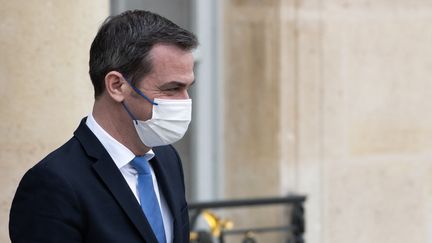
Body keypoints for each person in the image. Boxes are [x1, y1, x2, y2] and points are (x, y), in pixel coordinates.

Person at [9, 10, 198, 243]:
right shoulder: (53, 183)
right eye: (171, 89)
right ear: (117, 85)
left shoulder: (167, 158)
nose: (185, 101)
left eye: (187, 87)